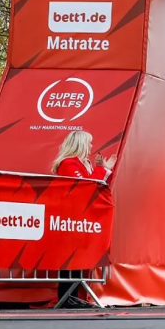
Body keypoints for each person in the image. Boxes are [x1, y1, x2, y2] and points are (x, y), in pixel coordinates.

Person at [51, 130, 115, 307]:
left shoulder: (81, 164)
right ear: (80, 144)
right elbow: (86, 187)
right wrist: (103, 169)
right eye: (89, 142)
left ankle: (73, 296)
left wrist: (104, 170)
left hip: (81, 219)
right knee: (70, 259)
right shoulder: (69, 164)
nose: (92, 146)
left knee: (77, 258)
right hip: (71, 219)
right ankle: (66, 297)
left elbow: (97, 188)